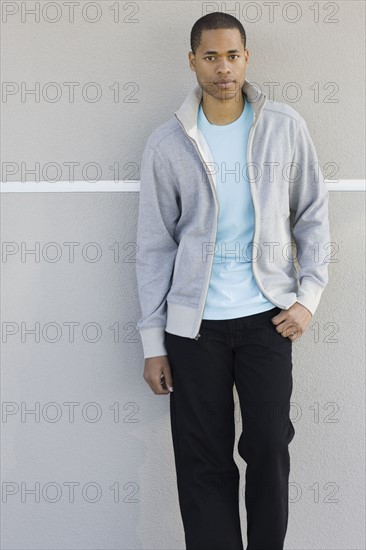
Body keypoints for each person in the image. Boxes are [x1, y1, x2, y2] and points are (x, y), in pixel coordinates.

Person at [135, 11, 330, 550]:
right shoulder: (169, 142)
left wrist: (308, 298)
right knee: (202, 458)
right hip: (193, 330)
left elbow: (312, 215)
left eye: (234, 55)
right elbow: (155, 247)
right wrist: (154, 343)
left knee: (269, 444)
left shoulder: (284, 126)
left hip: (267, 321)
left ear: (247, 57)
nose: (224, 68)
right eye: (212, 56)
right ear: (192, 60)